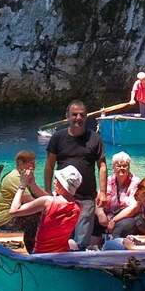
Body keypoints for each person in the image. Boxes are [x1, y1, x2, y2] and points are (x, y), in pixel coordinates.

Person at [44, 100, 107, 249]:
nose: (78, 118)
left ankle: (78, 259)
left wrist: (103, 192)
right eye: (74, 115)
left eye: (82, 115)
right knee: (60, 237)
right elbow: (49, 166)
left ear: (86, 117)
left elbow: (102, 166)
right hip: (63, 197)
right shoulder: (57, 138)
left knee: (81, 242)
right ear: (67, 116)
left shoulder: (95, 138)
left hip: (86, 197)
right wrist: (47, 191)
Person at [10, 165, 83, 253]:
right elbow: (54, 200)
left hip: (41, 253)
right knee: (71, 242)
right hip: (61, 253)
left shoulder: (47, 201)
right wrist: (33, 185)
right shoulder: (78, 207)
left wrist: (22, 186)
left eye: (56, 179)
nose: (54, 181)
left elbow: (14, 211)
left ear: (61, 183)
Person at [0, 150, 48, 253]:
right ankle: (34, 248)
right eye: (31, 163)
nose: (34, 166)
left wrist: (33, 184)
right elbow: (31, 202)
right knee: (40, 214)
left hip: (17, 214)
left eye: (34, 163)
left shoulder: (25, 176)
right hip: (6, 219)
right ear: (20, 163)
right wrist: (49, 205)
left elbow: (44, 197)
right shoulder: (15, 178)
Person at [95, 151, 145, 238]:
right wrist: (101, 214)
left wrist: (114, 220)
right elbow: (98, 200)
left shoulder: (135, 182)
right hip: (110, 215)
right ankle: (93, 244)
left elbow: (134, 208)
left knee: (123, 226)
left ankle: (113, 244)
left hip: (129, 217)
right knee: (93, 219)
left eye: (125, 166)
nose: (122, 168)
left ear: (129, 167)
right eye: (118, 166)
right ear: (113, 167)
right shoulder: (108, 180)